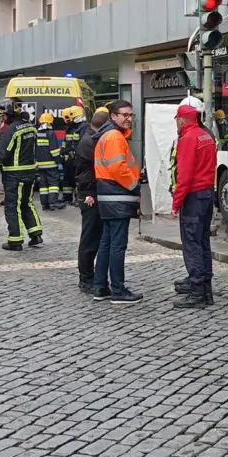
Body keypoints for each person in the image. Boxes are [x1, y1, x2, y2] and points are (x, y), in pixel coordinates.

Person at [91, 100, 142, 304]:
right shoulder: (113, 136)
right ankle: (118, 290)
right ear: (113, 116)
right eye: (125, 115)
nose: (129, 118)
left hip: (109, 198)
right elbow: (118, 169)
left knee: (107, 243)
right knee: (117, 245)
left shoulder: (107, 135)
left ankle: (100, 287)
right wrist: (135, 186)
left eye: (131, 115)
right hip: (118, 198)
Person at [171, 104, 218, 308]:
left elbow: (185, 175)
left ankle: (197, 292)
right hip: (207, 194)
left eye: (177, 120)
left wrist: (176, 203)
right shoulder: (206, 136)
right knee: (202, 241)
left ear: (181, 120)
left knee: (192, 244)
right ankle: (206, 290)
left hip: (193, 197)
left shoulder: (187, 139)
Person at [0, 99, 43, 251]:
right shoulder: (31, 127)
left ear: (9, 113)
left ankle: (15, 241)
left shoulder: (11, 130)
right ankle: (36, 234)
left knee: (12, 206)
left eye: (2, 115)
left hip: (14, 175)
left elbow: (2, 154)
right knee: (26, 203)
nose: (1, 118)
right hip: (29, 173)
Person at [72, 107, 105, 293]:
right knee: (90, 237)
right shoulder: (90, 141)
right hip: (89, 194)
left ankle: (90, 276)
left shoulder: (89, 138)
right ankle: (86, 278)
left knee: (94, 236)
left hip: (90, 192)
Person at [34, 112, 63, 210]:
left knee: (43, 185)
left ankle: (44, 204)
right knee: (53, 183)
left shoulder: (37, 133)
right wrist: (58, 161)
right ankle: (52, 203)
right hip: (51, 164)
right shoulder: (51, 133)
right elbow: (54, 150)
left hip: (40, 164)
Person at [58, 106, 86, 206]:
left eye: (71, 118)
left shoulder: (83, 128)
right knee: (67, 178)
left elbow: (82, 144)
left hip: (77, 158)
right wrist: (63, 151)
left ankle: (78, 198)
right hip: (69, 158)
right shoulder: (70, 129)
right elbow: (66, 142)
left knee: (77, 179)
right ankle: (67, 197)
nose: (69, 121)